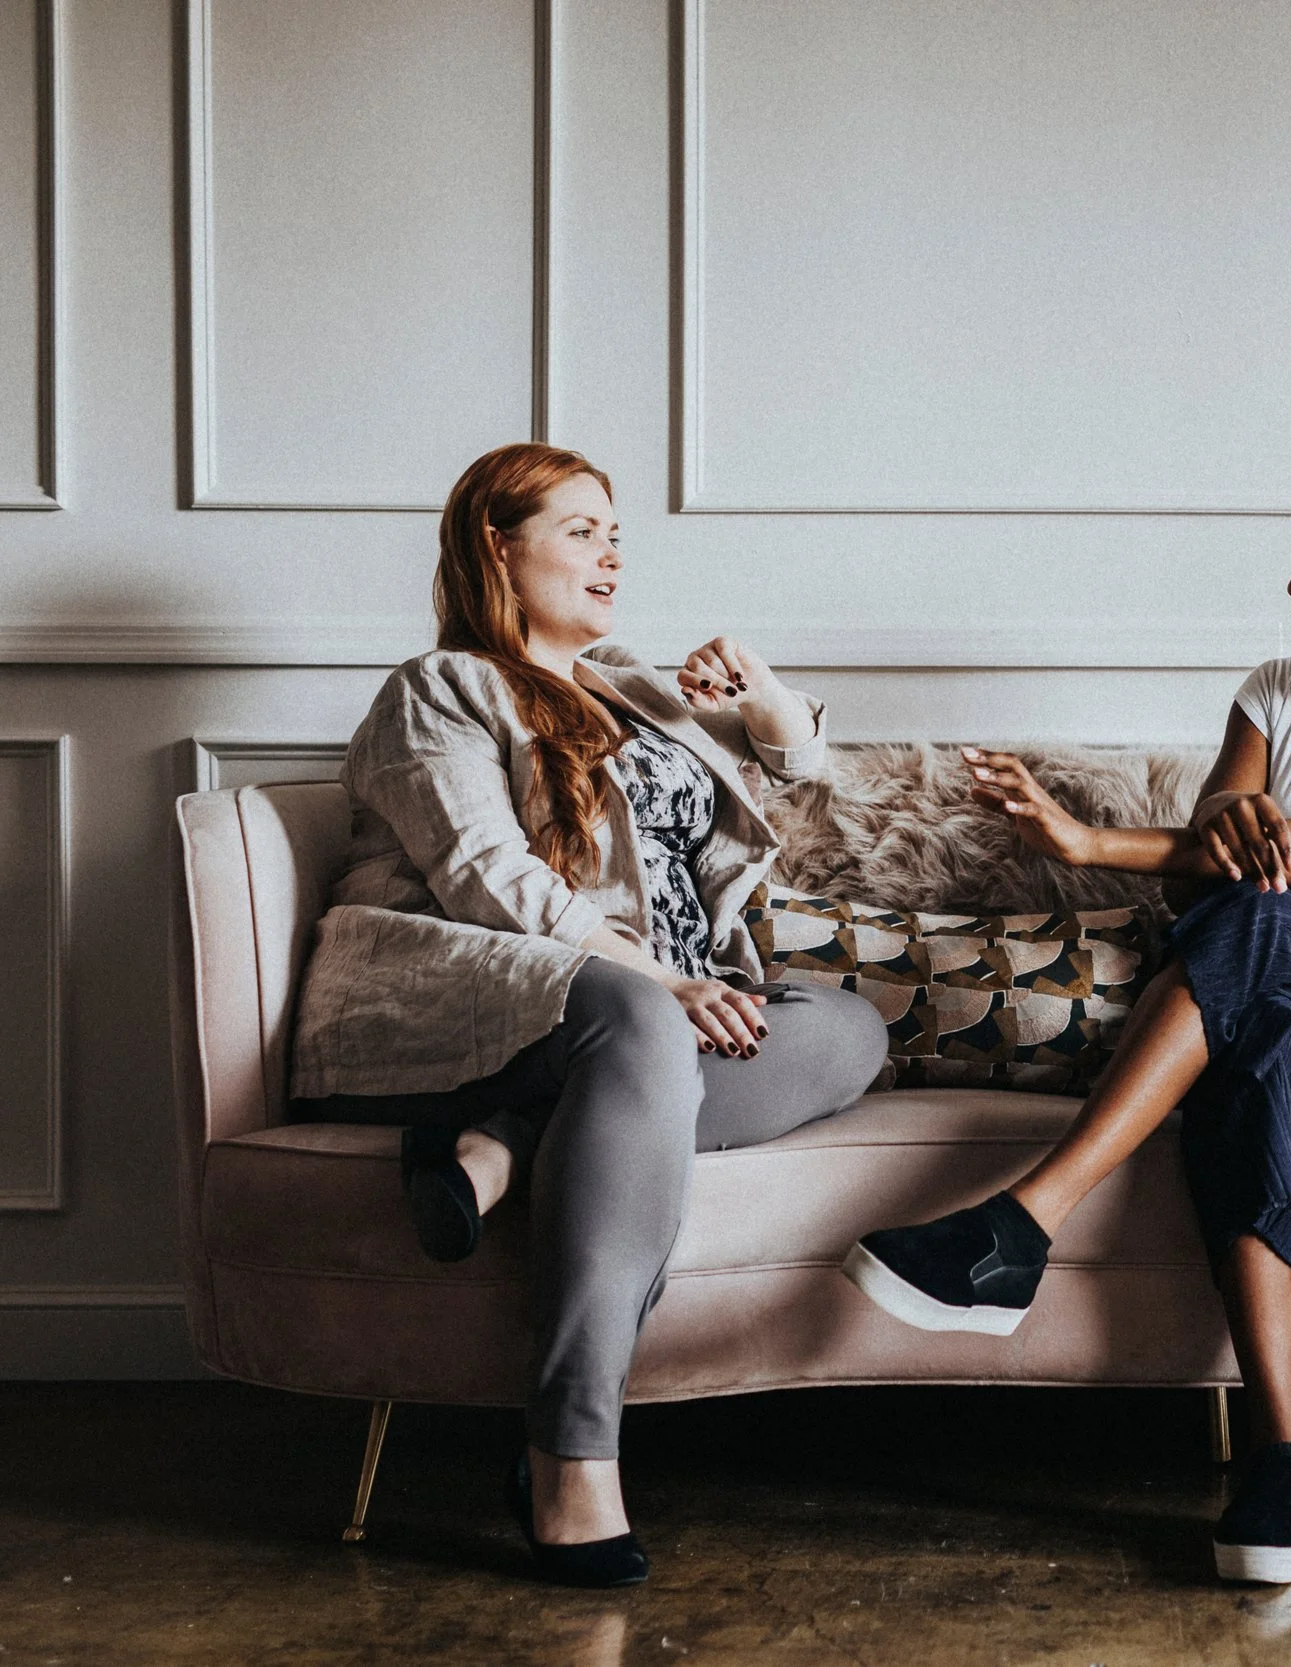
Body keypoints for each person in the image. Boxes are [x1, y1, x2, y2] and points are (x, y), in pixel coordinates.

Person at [842, 452, 1291, 1585]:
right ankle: (1280, 1451)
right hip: (1274, 994)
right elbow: (1218, 842)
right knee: (1255, 1047)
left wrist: (1106, 841)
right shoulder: (1280, 688)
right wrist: (1177, 832)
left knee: (1263, 914)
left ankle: (1026, 1218)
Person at [289, 442, 889, 1587]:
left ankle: (508, 1136)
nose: (611, 550)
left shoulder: (629, 685)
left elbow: (805, 775)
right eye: (579, 528)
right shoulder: (441, 687)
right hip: (479, 985)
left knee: (845, 1029)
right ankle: (571, 1450)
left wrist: (763, 698)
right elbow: (485, 877)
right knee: (636, 1017)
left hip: (643, 1012)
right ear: (495, 548)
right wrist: (660, 984)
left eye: (617, 531)